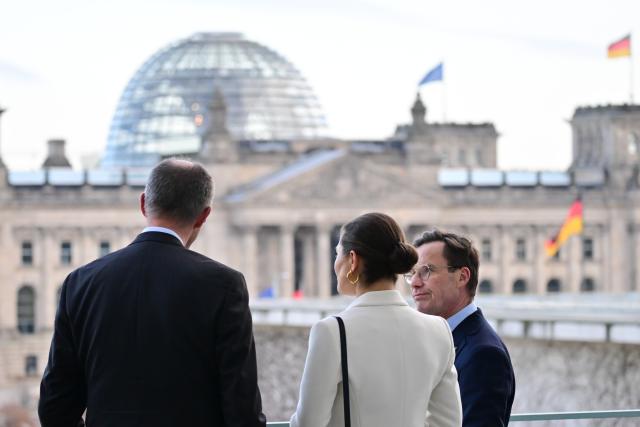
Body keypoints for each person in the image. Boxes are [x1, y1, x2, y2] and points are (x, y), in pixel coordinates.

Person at [38, 158, 266, 427]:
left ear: (144, 203)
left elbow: (55, 407)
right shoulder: (224, 286)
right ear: (204, 215)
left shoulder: (80, 282)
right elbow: (242, 412)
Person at [290, 212, 462, 427]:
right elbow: (448, 422)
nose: (335, 264)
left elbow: (308, 423)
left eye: (337, 254)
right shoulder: (438, 329)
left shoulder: (331, 331)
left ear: (352, 260)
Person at [408, 229, 515, 427]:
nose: (414, 283)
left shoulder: (484, 354)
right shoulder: (441, 339)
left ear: (462, 276)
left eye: (427, 271)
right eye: (412, 273)